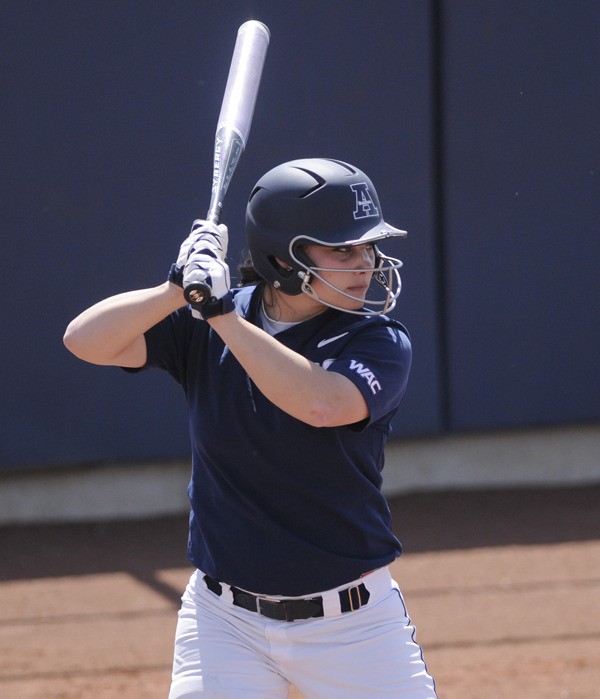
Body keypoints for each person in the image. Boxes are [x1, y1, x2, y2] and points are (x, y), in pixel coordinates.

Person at [64, 157, 437, 698]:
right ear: (285, 258)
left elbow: (320, 403)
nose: (366, 262)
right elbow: (85, 341)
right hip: (223, 622)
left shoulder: (377, 340)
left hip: (353, 625)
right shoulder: (212, 317)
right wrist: (174, 289)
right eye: (343, 248)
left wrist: (219, 316)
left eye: (368, 246)